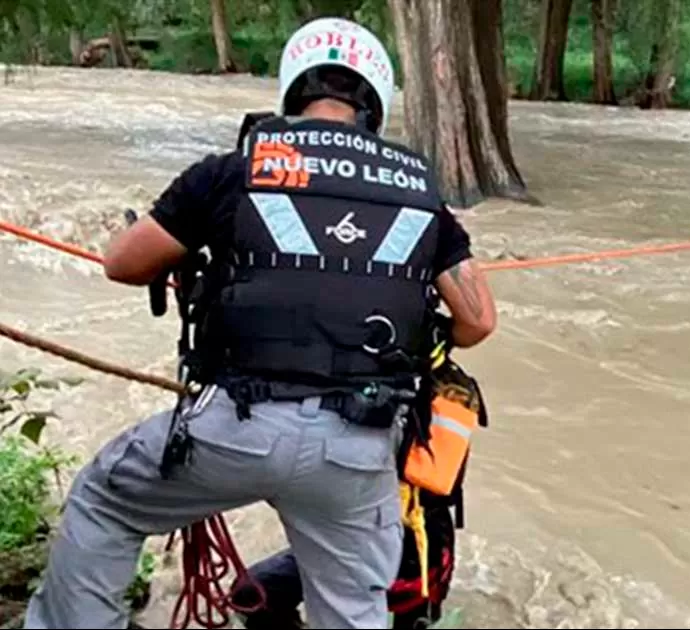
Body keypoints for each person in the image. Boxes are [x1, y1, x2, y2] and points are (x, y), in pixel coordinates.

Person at [22, 17, 497, 630]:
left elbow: (122, 262)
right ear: (374, 101)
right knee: (353, 612)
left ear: (292, 89)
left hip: (233, 429)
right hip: (357, 448)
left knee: (104, 501)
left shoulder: (230, 170)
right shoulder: (418, 191)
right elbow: (479, 321)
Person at [229, 325, 488, 630]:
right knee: (251, 595)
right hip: (346, 534)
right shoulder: (340, 384)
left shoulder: (437, 400)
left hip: (411, 550)